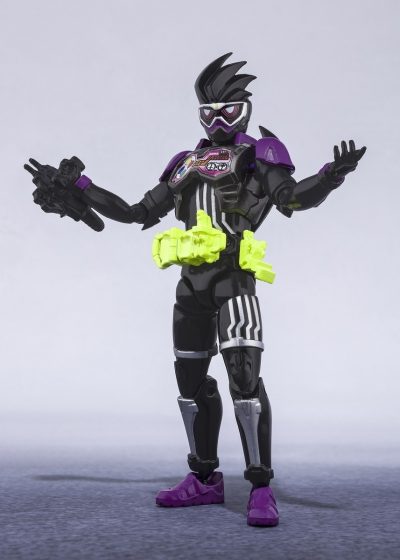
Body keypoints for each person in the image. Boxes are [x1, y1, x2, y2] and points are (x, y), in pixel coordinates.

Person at [24, 53, 366, 527]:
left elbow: (291, 198)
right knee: (189, 384)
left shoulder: (258, 156)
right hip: (190, 285)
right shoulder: (185, 164)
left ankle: (260, 486)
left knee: (244, 381)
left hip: (234, 281)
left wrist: (330, 176)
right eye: (209, 112)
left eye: (228, 110)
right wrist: (81, 187)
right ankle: (204, 477)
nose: (219, 120)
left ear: (244, 111)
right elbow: (137, 212)